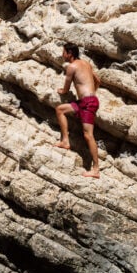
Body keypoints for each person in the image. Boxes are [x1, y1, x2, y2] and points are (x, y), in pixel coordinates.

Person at [54, 43, 101, 178]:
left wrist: (61, 91)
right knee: (60, 110)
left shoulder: (72, 66)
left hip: (87, 103)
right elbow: (98, 80)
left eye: (63, 52)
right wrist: (92, 92)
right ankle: (65, 141)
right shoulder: (86, 63)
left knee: (88, 135)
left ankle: (96, 169)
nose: (62, 55)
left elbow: (66, 89)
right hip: (85, 102)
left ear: (69, 53)